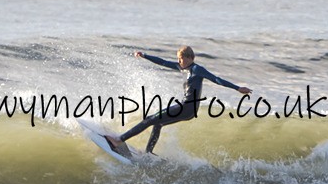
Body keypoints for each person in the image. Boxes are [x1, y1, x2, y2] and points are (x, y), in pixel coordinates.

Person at [106, 46, 252, 156]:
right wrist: (144, 55)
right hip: (188, 111)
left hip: (186, 108)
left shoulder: (197, 69)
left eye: (180, 59)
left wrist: (238, 88)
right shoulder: (182, 67)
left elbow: (216, 79)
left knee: (149, 119)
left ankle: (119, 140)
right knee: (157, 123)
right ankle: (148, 153)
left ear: (189, 58)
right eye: (178, 59)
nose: (178, 61)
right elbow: (163, 62)